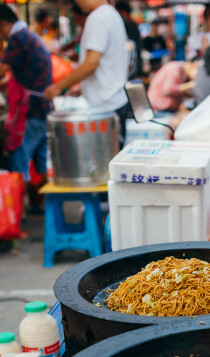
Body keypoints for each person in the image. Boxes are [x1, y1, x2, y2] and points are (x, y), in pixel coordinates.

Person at [44, 0, 129, 147]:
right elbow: (105, 62)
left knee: (104, 165)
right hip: (113, 104)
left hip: (105, 108)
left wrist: (58, 86)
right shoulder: (112, 14)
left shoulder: (98, 18)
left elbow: (91, 64)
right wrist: (83, 87)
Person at [0, 4, 52, 213]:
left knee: (18, 159)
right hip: (42, 109)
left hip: (31, 111)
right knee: (39, 161)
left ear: (2, 24)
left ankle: (16, 214)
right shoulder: (27, 36)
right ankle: (42, 207)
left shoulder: (17, 38)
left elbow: (2, 69)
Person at [115, 0, 142, 78]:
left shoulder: (127, 26)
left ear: (123, 12)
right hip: (135, 71)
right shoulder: (133, 26)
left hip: (129, 74)